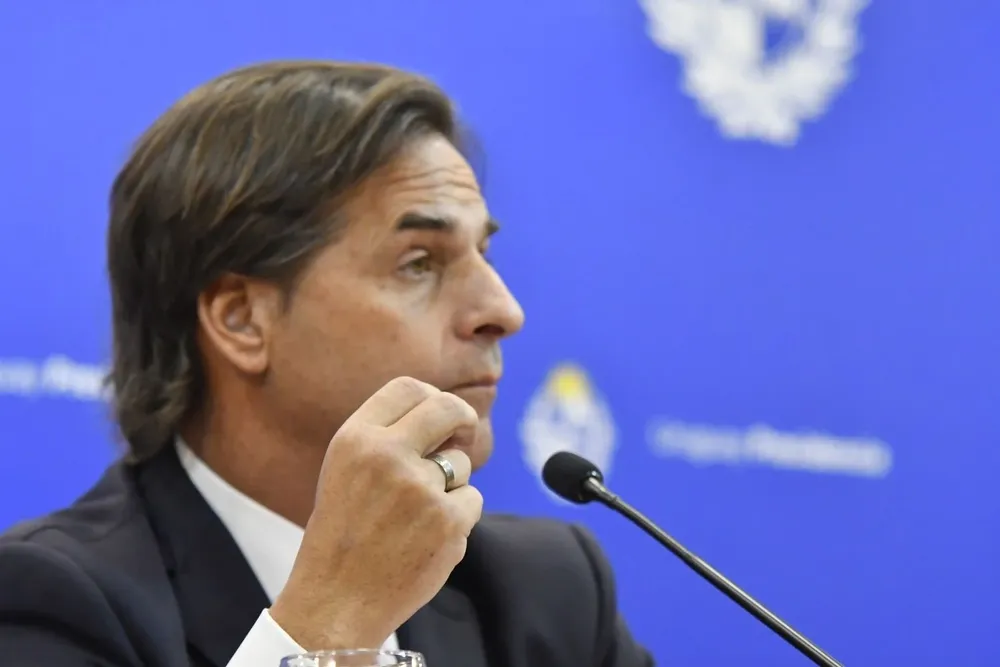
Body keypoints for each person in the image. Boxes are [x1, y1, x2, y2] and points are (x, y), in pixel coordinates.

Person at [0, 61, 653, 667]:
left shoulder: (547, 592)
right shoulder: (51, 601)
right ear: (241, 319)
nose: (503, 310)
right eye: (419, 262)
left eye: (483, 253)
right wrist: (332, 620)